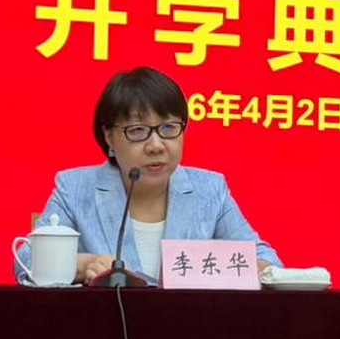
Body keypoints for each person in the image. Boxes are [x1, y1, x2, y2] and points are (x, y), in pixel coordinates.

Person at [19, 66, 280, 284]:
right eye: (137, 130)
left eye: (168, 128)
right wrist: (84, 264)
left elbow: (267, 260)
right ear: (109, 137)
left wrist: (239, 271)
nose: (156, 145)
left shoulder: (209, 190)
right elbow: (26, 261)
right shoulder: (75, 188)